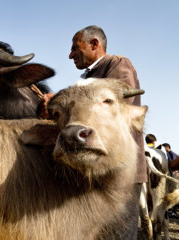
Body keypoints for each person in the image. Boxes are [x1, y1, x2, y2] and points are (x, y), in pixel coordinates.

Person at [69, 25, 146, 239]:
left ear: (94, 44)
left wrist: (66, 101)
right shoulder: (89, 76)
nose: (70, 55)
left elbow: (116, 104)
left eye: (75, 48)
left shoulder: (118, 64)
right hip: (98, 173)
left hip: (121, 175)